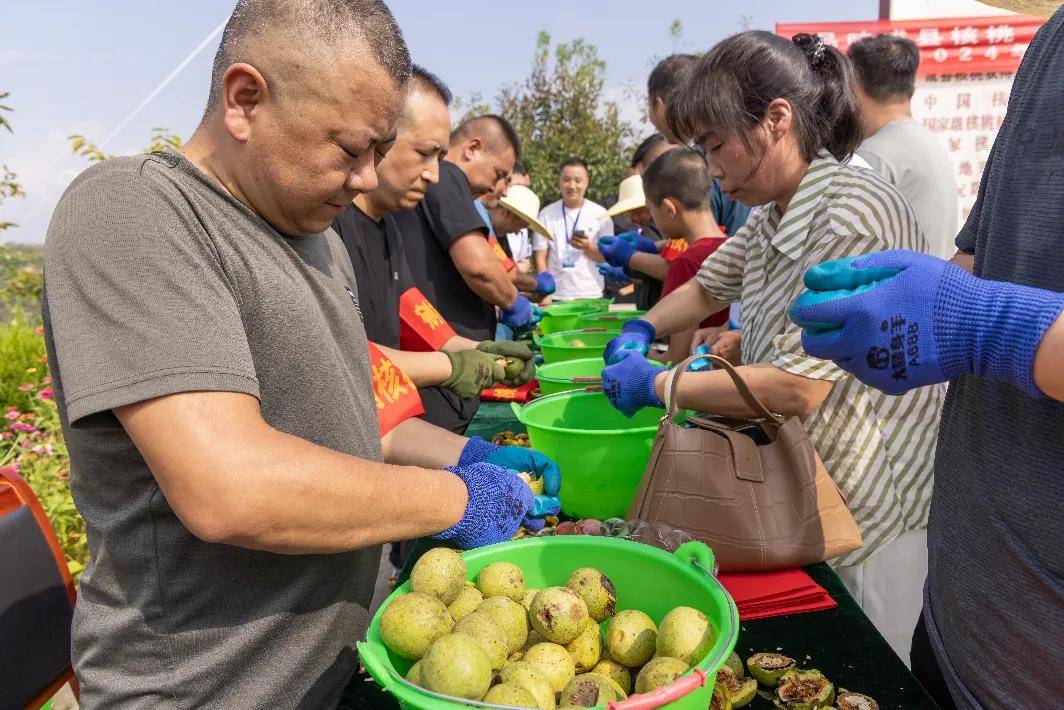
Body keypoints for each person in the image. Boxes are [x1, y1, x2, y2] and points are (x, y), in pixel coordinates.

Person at [39, 2, 558, 706]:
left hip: (348, 661)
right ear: (245, 99)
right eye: (349, 151)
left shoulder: (318, 242)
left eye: (379, 151)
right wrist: (454, 497)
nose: (367, 180)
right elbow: (229, 487)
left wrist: (464, 458)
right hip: (212, 690)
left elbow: (360, 419)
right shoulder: (136, 213)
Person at [600, 31, 944, 660]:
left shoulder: (848, 215)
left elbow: (797, 388)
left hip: (871, 501)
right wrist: (642, 329)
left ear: (776, 119)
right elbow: (708, 286)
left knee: (863, 664)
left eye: (716, 146)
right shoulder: (772, 214)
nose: (713, 169)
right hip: (806, 486)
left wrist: (657, 383)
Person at [790, 6, 1064, 708]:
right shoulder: (1050, 43)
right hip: (964, 629)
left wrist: (986, 326)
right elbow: (990, 253)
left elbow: (993, 314)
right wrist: (910, 301)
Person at [332, 65, 535, 402]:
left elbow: (417, 314)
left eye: (439, 157)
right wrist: (451, 367)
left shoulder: (389, 230)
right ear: (379, 138)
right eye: (424, 154)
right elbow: (342, 359)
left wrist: (487, 353)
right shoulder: (329, 230)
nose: (434, 175)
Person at [392, 114, 531, 432]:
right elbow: (478, 266)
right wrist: (513, 301)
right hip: (442, 376)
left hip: (439, 355)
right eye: (499, 174)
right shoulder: (450, 176)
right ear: (472, 148)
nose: (500, 189)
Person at [848, 34, 958, 260]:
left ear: (855, 87)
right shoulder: (928, 141)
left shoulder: (874, 155)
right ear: (911, 88)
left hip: (900, 291)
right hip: (932, 286)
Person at [640, 147, 730, 364]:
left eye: (651, 210)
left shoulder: (686, 263)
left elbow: (676, 357)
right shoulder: (733, 246)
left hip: (698, 386)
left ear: (669, 209)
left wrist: (640, 354)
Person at [532, 156, 614, 301]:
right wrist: (545, 292)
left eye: (578, 180)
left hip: (591, 293)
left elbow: (608, 257)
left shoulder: (601, 215)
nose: (572, 185)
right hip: (557, 294)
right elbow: (540, 257)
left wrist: (588, 247)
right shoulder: (545, 214)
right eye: (567, 179)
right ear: (559, 182)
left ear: (586, 183)